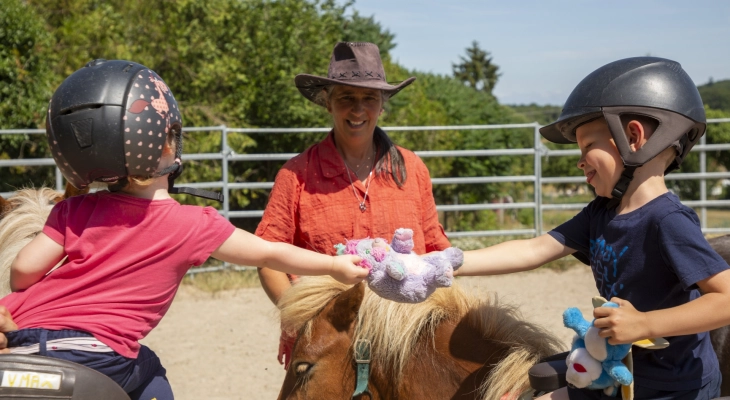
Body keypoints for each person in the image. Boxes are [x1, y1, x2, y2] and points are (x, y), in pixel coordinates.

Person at [0, 59, 367, 400]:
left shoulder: (72, 209)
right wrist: (335, 266)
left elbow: (21, 273)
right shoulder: (194, 224)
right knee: (150, 371)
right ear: (166, 143)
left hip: (21, 340)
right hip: (100, 355)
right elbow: (270, 252)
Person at [456, 57, 730, 400]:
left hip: (671, 388)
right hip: (618, 373)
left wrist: (644, 324)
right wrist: (448, 263)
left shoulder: (668, 221)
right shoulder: (600, 213)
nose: (579, 160)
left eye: (587, 146)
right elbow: (534, 249)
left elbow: (726, 298)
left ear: (633, 136)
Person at [255, 41, 451, 367]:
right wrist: (301, 317)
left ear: (382, 105)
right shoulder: (296, 176)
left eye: (369, 98)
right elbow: (267, 258)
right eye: (346, 97)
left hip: (404, 340)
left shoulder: (413, 170)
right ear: (327, 103)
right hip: (326, 340)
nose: (358, 109)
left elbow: (436, 250)